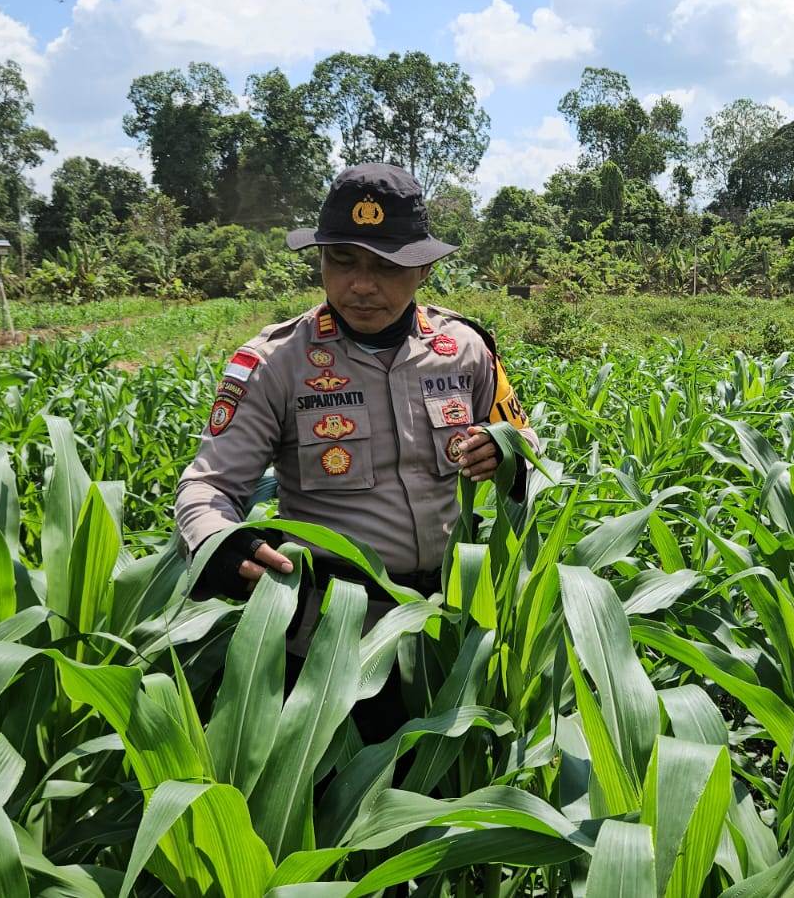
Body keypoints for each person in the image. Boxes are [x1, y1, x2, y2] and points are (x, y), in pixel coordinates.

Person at [174, 164, 539, 735]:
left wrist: (507, 452)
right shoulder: (275, 363)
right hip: (330, 643)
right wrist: (218, 543)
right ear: (321, 260)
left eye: (386, 266)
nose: (362, 285)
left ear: (423, 268)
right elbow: (208, 486)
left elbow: (528, 448)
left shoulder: (464, 349)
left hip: (450, 632)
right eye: (342, 261)